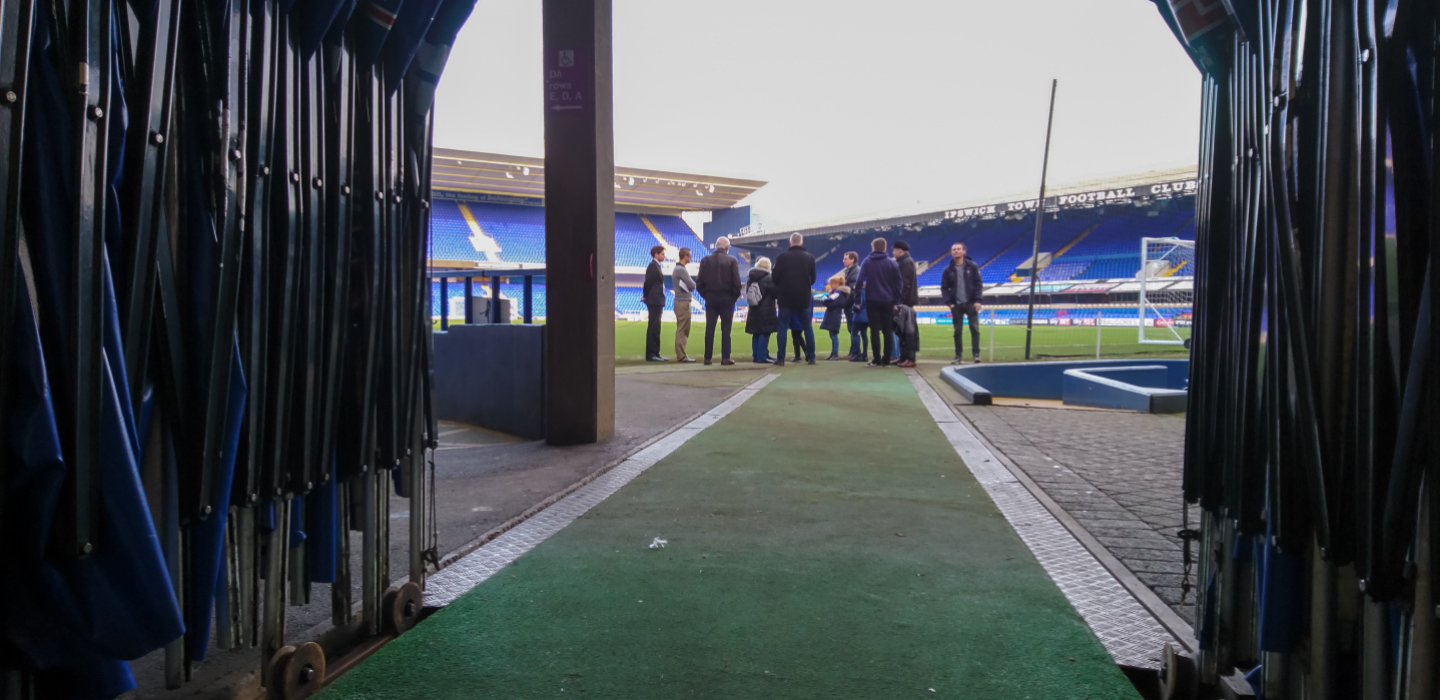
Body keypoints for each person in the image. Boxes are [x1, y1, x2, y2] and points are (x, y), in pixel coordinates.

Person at [696, 236, 743, 366]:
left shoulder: (705, 260)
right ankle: (725, 357)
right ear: (727, 248)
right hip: (727, 298)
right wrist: (732, 298)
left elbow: (699, 283)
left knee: (710, 328)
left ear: (716, 246)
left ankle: (707, 357)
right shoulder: (731, 260)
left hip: (711, 297)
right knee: (726, 329)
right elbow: (737, 283)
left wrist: (707, 295)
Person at [772, 232, 817, 366]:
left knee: (782, 327)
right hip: (803, 298)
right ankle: (811, 357)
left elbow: (774, 278)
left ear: (790, 242)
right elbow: (813, 279)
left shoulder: (782, 257)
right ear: (802, 243)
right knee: (808, 327)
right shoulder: (810, 258)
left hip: (786, 298)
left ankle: (780, 358)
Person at [855, 237, 901, 367]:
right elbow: (898, 283)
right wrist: (896, 301)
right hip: (888, 300)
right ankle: (886, 359)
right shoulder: (892, 263)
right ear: (885, 248)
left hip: (872, 300)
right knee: (888, 330)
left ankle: (876, 359)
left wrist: (858, 300)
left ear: (873, 248)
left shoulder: (867, 261)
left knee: (874, 330)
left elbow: (859, 281)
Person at [940, 241, 985, 364]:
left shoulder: (972, 266)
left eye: (959, 249)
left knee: (974, 329)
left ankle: (976, 355)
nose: (956, 251)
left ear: (964, 251)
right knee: (957, 331)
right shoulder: (948, 270)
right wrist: (949, 303)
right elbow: (944, 288)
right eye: (954, 249)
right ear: (951, 252)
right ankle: (958, 356)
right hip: (956, 305)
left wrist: (978, 301)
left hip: (971, 304)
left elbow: (979, 284)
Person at [744, 257, 778, 363]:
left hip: (753, 309)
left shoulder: (751, 277)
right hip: (766, 310)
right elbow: (776, 293)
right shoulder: (769, 278)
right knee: (764, 332)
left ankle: (755, 356)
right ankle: (762, 356)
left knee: (756, 333)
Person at [893, 240, 920, 366]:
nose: (893, 252)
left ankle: (911, 358)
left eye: (894, 250)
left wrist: (900, 301)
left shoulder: (906, 262)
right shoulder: (904, 262)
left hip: (905, 303)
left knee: (908, 331)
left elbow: (903, 284)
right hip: (905, 302)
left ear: (900, 250)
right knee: (901, 331)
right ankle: (903, 357)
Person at [643, 245, 668, 362]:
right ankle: (651, 353)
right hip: (654, 300)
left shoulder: (656, 266)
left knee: (657, 327)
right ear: (656, 254)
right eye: (662, 254)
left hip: (657, 300)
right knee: (653, 326)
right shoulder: (653, 266)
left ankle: (656, 352)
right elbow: (647, 283)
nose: (664, 256)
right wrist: (646, 296)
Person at [671, 247, 697, 363]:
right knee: (683, 330)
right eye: (689, 256)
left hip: (680, 301)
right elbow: (692, 285)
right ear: (685, 256)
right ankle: (681, 355)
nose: (690, 258)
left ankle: (681, 354)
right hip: (683, 302)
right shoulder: (681, 270)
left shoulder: (678, 269)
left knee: (682, 329)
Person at [819, 274, 851, 360]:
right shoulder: (836, 293)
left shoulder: (840, 294)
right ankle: (833, 353)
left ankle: (835, 354)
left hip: (835, 315)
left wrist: (825, 301)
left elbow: (835, 304)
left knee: (834, 335)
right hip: (832, 315)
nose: (830, 286)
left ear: (837, 284)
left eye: (832, 284)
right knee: (832, 335)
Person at [841, 252, 861, 359]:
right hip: (851, 306)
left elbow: (852, 293)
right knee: (852, 330)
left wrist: (845, 304)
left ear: (852, 260)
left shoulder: (854, 272)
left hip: (851, 306)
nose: (843, 260)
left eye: (845, 259)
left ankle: (855, 353)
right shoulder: (851, 271)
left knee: (854, 330)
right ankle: (853, 351)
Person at [848, 286, 870, 362]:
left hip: (859, 316)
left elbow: (858, 305)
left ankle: (858, 354)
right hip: (867, 316)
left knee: (854, 334)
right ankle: (865, 355)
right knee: (864, 334)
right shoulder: (869, 291)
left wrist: (853, 308)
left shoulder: (860, 292)